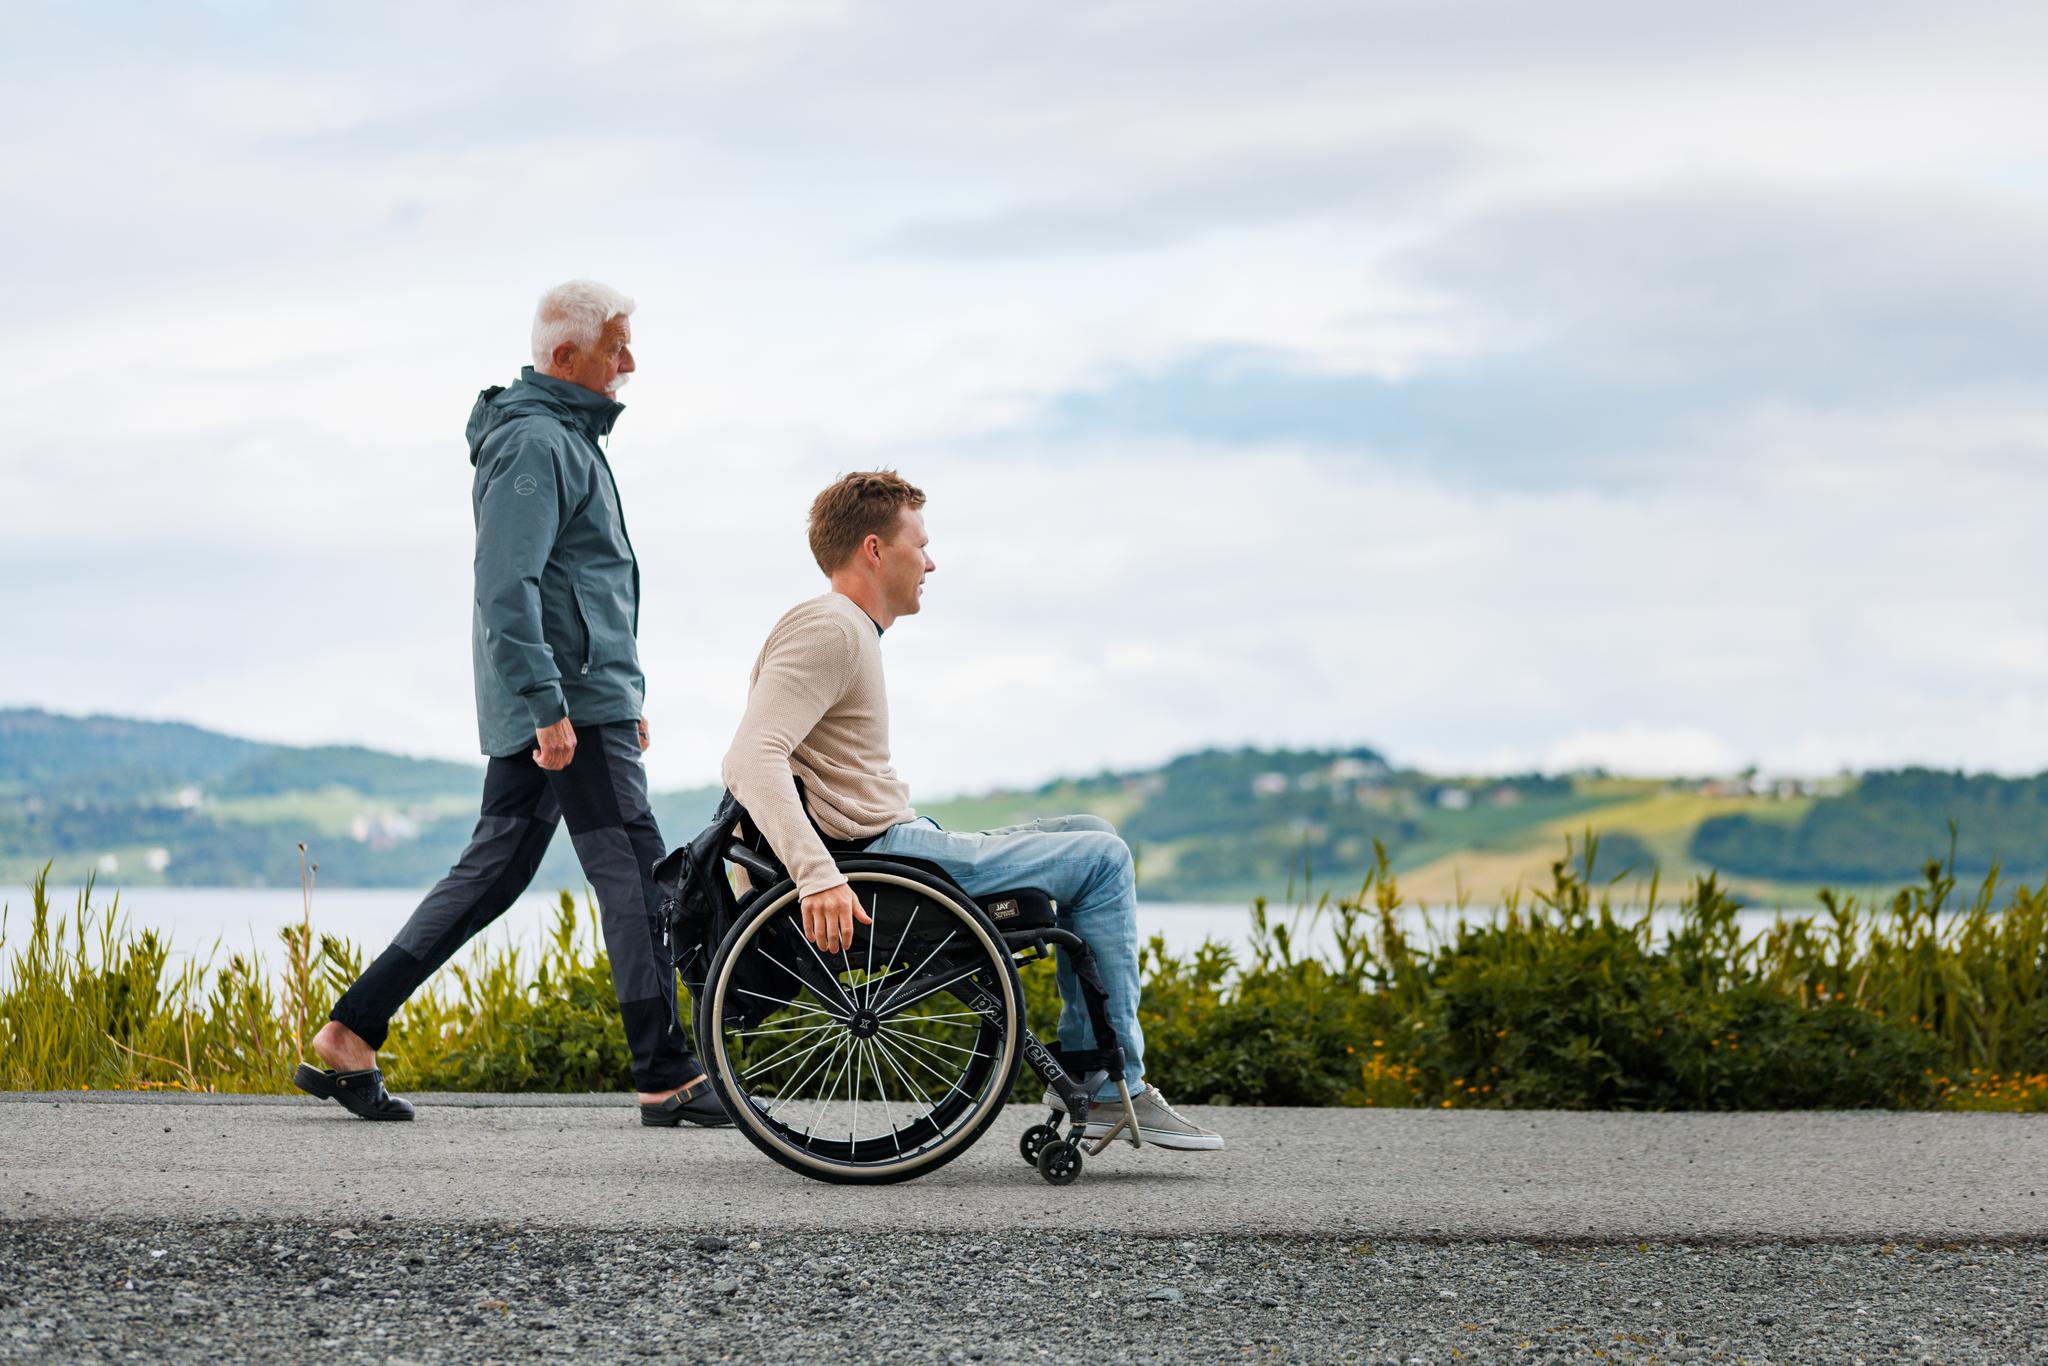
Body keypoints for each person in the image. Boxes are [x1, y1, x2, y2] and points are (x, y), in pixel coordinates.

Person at [295, 280, 725, 1127]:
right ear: (565, 357)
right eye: (616, 347)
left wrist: (616, 691)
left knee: (495, 871)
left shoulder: (565, 438)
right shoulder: (535, 443)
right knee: (635, 870)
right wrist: (551, 702)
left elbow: (579, 586)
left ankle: (351, 1029)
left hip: (577, 698)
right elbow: (507, 585)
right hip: (562, 707)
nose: (630, 362)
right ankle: (667, 1072)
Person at [719, 470, 1223, 1150]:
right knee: (1104, 860)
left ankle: (1095, 1073)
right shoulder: (833, 628)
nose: (931, 561)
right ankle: (1111, 1082)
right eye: (919, 545)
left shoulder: (844, 627)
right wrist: (817, 876)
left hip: (888, 847)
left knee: (1091, 833)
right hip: (877, 861)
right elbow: (750, 759)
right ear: (874, 549)